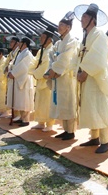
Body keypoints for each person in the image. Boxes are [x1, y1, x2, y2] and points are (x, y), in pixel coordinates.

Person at [74, 3, 108, 154]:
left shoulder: (99, 34)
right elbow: (79, 56)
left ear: (92, 19)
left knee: (100, 106)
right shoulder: (86, 37)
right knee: (90, 106)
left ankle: (105, 141)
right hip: (87, 77)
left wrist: (84, 72)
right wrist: (77, 71)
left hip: (96, 76)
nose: (81, 19)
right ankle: (94, 137)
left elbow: (97, 56)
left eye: (85, 17)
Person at [47, 11, 79, 140]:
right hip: (58, 76)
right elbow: (51, 56)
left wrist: (56, 70)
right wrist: (51, 69)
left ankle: (71, 131)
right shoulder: (58, 43)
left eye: (62, 25)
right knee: (61, 103)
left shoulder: (72, 41)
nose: (59, 27)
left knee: (68, 103)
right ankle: (65, 129)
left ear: (68, 28)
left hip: (67, 77)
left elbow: (67, 58)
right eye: (59, 24)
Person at [30, 26, 57, 132]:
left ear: (49, 39)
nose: (40, 39)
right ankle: (41, 122)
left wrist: (35, 73)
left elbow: (46, 66)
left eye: (43, 37)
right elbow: (34, 63)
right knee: (40, 102)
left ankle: (49, 124)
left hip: (47, 81)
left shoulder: (51, 50)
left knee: (47, 103)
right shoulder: (41, 50)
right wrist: (33, 72)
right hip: (40, 80)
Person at [7, 36, 35, 127]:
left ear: (24, 44)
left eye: (20, 43)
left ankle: (26, 119)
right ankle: (21, 118)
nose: (18, 44)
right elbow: (13, 63)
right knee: (19, 100)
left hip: (24, 80)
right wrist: (10, 69)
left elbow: (23, 67)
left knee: (24, 100)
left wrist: (14, 73)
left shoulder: (27, 54)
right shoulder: (20, 53)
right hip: (19, 78)